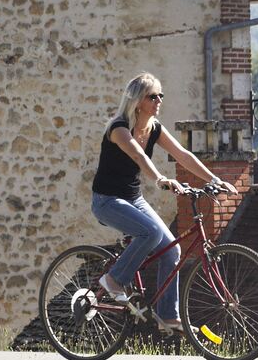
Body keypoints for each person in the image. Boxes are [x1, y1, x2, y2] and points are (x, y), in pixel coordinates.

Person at [91, 72, 237, 333]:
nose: (159, 100)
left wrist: (214, 178)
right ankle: (113, 281)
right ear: (137, 101)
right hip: (107, 201)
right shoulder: (119, 128)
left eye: (161, 95)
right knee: (150, 232)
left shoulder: (154, 128)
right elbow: (138, 155)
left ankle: (168, 316)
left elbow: (182, 154)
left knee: (172, 249)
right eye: (153, 96)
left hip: (133, 199)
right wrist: (159, 178)